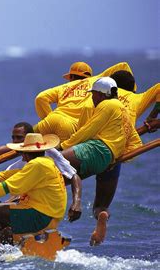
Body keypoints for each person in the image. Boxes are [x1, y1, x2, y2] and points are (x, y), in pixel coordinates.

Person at [59, 77, 142, 246]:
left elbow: (88, 131)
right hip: (110, 160)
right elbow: (136, 145)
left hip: (95, 150)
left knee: (47, 166)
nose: (92, 98)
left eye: (94, 94)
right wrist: (116, 156)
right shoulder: (123, 110)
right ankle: (102, 215)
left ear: (101, 94)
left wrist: (63, 147)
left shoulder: (106, 105)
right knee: (99, 205)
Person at [0, 122, 82, 223]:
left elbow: (73, 176)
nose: (15, 142)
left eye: (19, 138)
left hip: (44, 210)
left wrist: (76, 203)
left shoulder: (44, 158)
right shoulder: (23, 163)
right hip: (34, 202)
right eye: (13, 138)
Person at [34, 62, 133, 142]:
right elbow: (123, 65)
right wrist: (132, 90)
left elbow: (40, 98)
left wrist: (49, 118)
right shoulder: (94, 82)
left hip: (51, 119)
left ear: (71, 77)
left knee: (25, 143)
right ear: (89, 77)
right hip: (69, 126)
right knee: (61, 161)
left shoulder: (64, 87)